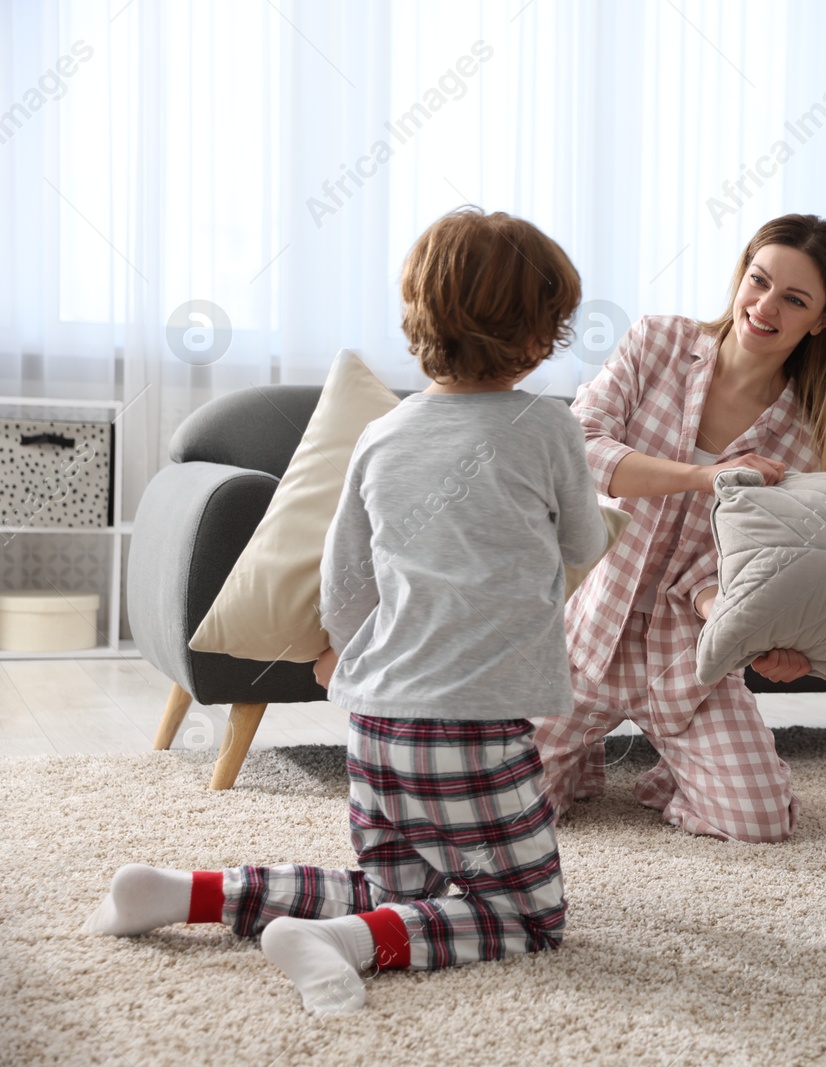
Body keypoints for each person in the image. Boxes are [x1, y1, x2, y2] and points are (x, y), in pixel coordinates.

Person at [84, 207, 608, 1012]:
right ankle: (342, 942)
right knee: (526, 913)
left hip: (373, 719)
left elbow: (345, 576)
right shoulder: (549, 429)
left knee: (393, 881)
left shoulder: (384, 432)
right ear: (541, 335)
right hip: (476, 723)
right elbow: (584, 540)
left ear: (419, 322)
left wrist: (335, 650)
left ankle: (184, 893)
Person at [535, 213, 826, 842]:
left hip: (689, 663)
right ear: (741, 273)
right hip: (579, 642)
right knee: (496, 810)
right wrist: (702, 476)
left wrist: (755, 628)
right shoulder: (657, 342)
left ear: (822, 320)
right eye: (758, 281)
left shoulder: (801, 441)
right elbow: (575, 449)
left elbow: (733, 568)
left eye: (794, 300)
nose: (765, 307)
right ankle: (577, 757)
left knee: (760, 821)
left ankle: (675, 775)